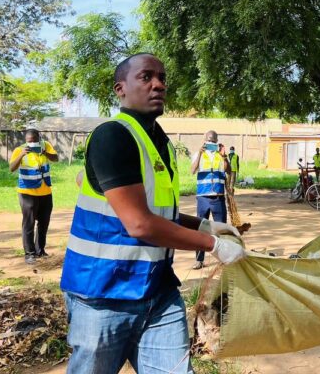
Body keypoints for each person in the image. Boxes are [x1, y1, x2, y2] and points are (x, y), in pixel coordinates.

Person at [59, 53, 245, 374]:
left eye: (161, 78)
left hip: (157, 293)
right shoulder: (113, 136)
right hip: (102, 295)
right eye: (146, 77)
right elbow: (140, 223)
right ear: (120, 89)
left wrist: (207, 226)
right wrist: (211, 244)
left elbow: (160, 212)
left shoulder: (160, 143)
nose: (158, 84)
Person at [9, 129, 58, 265]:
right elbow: (12, 168)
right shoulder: (19, 150)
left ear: (39, 138)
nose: (31, 144)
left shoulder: (46, 146)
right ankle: (29, 254)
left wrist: (45, 152)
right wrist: (22, 155)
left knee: (44, 223)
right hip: (27, 193)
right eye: (28, 142)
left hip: (45, 192)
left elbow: (56, 158)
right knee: (28, 223)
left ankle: (40, 250)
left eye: (34, 141)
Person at [190, 130, 230, 269]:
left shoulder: (221, 155)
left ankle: (223, 258)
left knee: (222, 230)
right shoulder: (198, 154)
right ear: (204, 140)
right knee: (201, 229)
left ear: (217, 141)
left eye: (213, 142)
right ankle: (199, 260)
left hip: (218, 197)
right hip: (203, 197)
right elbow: (192, 170)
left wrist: (224, 157)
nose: (210, 143)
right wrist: (200, 153)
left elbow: (228, 170)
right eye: (208, 141)